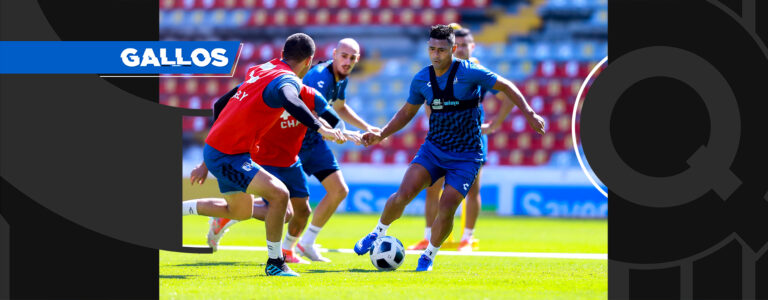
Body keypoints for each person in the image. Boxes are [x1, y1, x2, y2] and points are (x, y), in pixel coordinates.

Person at [353, 25, 545, 271]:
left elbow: (506, 85)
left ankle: (429, 255)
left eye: (442, 50)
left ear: (453, 50)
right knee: (404, 194)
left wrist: (529, 113)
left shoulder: (470, 72)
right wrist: (382, 134)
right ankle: (376, 233)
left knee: (447, 207)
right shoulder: (422, 78)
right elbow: (406, 112)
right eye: (432, 49)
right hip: (433, 149)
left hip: (466, 155)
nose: (436, 55)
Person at [182, 33, 346, 277]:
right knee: (280, 195)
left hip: (224, 152)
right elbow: (291, 99)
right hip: (229, 156)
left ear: (283, 54)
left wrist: (207, 159)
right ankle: (275, 263)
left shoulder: (262, 69)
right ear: (308, 62)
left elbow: (219, 105)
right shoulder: (286, 79)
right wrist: (320, 127)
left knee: (240, 212)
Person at [408, 24, 516, 252]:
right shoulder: (441, 71)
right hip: (442, 138)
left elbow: (507, 92)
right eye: (461, 45)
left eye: (467, 45)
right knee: (432, 186)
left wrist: (494, 124)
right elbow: (429, 101)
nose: (463, 49)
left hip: (471, 137)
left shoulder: (474, 71)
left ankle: (467, 237)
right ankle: (428, 236)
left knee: (473, 188)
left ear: (472, 47)